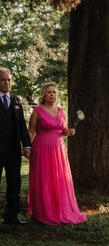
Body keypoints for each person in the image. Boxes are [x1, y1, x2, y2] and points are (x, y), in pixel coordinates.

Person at [27, 83, 86, 225]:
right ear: (43, 95)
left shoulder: (60, 111)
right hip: (42, 149)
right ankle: (44, 212)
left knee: (59, 179)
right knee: (45, 179)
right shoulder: (37, 111)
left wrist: (70, 131)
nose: (52, 95)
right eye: (49, 92)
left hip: (58, 151)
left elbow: (63, 130)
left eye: (54, 92)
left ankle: (61, 210)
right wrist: (27, 147)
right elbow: (31, 131)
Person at [0, 68, 31, 225]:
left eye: (9, 80)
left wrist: (27, 145)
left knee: (14, 183)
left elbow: (22, 127)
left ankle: (11, 216)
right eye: (3, 80)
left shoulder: (16, 101)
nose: (7, 83)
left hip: (13, 151)